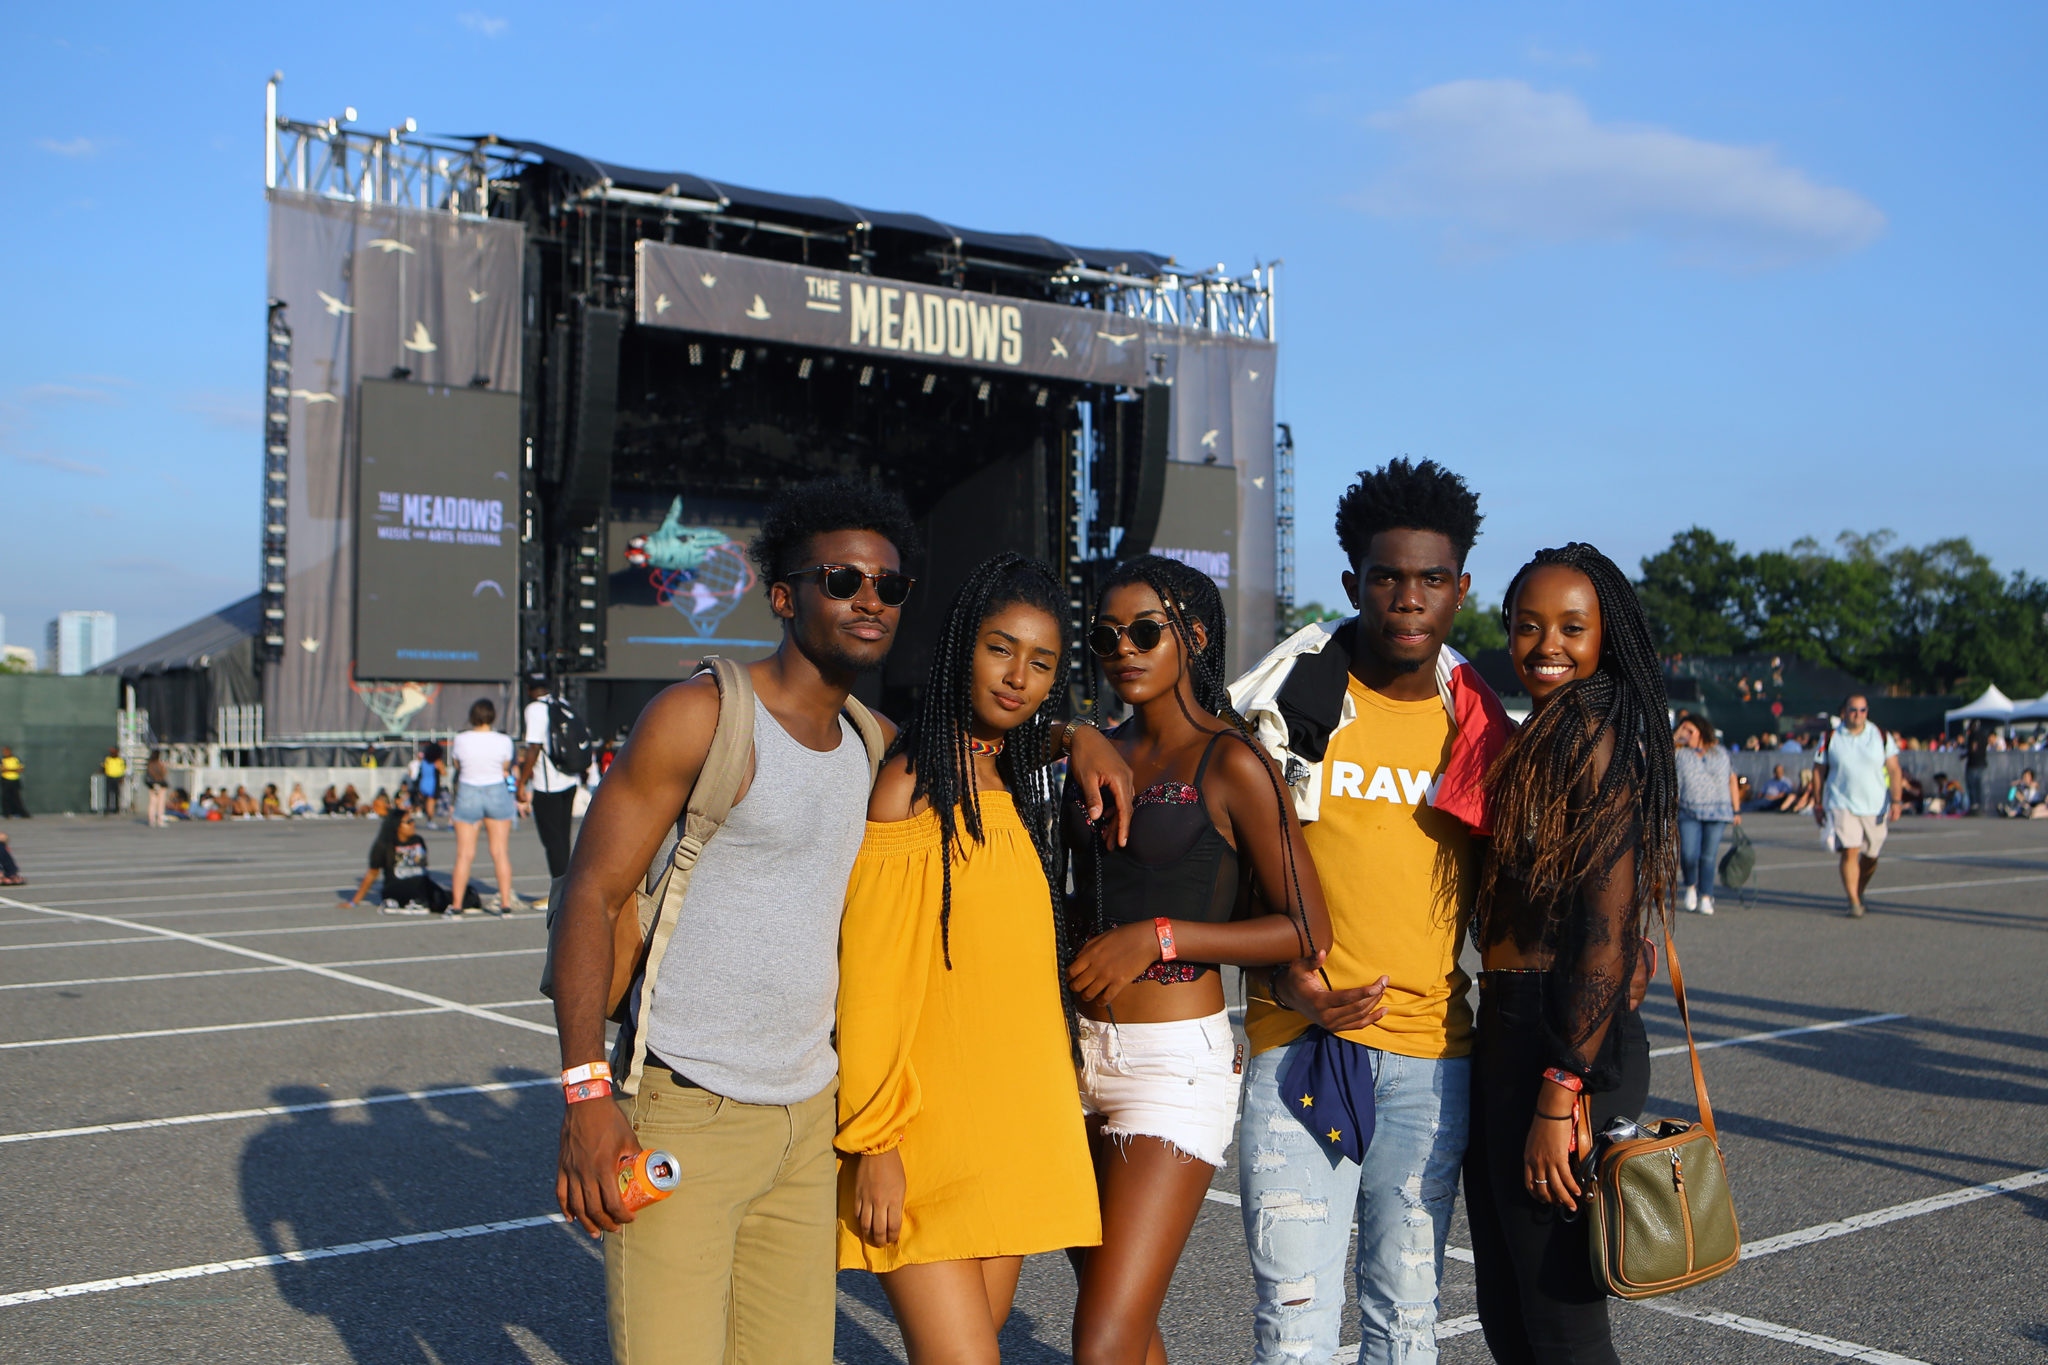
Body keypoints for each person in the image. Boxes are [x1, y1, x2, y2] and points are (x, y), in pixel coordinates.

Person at [548, 477, 1133, 1365]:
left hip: (807, 1121)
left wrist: (1071, 733)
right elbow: (588, 894)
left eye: (889, 587)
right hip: (686, 1104)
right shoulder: (700, 716)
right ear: (785, 596)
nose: (869, 600)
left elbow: (975, 728)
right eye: (842, 580)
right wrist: (588, 1095)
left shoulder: (873, 743)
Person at [1227, 458, 1513, 1364]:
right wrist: (1290, 983)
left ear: (1460, 589)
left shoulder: (1478, 724)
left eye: (1432, 580)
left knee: (1406, 1313)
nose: (1408, 598)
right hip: (1295, 1043)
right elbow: (1228, 875)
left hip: (1432, 1057)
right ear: (1353, 581)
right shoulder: (1283, 705)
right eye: (1387, 578)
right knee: (1296, 1318)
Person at [1064, 556, 1340, 1365]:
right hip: (1068, 1058)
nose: (1123, 649)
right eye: (1105, 635)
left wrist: (1160, 935)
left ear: (1194, 636)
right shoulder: (1095, 746)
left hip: (1171, 1071)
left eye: (1145, 631)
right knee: (1125, 1321)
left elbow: (1304, 926)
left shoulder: (1233, 761)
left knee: (1103, 1339)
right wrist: (1070, 730)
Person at [836, 555, 1101, 1362]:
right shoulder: (913, 784)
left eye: (1042, 661)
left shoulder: (1011, 777)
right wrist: (874, 1145)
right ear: (962, 647)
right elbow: (872, 981)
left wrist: (1078, 732)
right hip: (922, 1135)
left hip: (1016, 1123)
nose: (1019, 676)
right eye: (1001, 648)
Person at [1466, 544, 1672, 1365]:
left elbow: (1605, 931)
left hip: (1560, 1043)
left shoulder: (1593, 732)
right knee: (1512, 1309)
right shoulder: (1544, 735)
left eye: (1572, 626)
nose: (1546, 642)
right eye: (1527, 624)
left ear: (1606, 636)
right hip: (1516, 1030)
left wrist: (1559, 1091)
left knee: (1558, 1322)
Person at [1812, 694, 1903, 918]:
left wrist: (1897, 800)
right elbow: (1818, 770)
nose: (1858, 715)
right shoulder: (1831, 736)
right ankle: (1853, 900)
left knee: (1871, 855)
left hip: (1875, 804)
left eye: (1863, 710)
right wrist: (1817, 803)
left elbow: (1894, 769)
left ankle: (1859, 891)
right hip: (1842, 802)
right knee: (1850, 850)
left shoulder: (1880, 735)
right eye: (1854, 710)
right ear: (1844, 711)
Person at [449, 698, 521, 914]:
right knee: (500, 852)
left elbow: (457, 765)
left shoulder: (461, 739)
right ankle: (506, 902)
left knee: (464, 854)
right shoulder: (504, 740)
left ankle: (457, 904)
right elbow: (506, 765)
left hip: (469, 791)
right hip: (495, 791)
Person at [517, 676, 584, 886]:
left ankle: (560, 892)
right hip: (569, 779)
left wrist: (521, 782)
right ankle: (568, 887)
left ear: (529, 689)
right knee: (564, 839)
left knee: (552, 842)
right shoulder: (561, 703)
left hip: (548, 786)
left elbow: (534, 747)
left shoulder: (535, 709)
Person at [1673, 716, 1740, 916]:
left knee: (1708, 856)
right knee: (1688, 854)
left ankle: (1706, 895)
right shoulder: (1680, 753)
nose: (1687, 733)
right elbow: (1659, 754)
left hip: (1717, 811)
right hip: (1687, 809)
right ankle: (1691, 885)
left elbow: (1732, 779)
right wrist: (1676, 735)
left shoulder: (1720, 753)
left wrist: (1736, 810)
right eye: (1683, 729)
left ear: (1701, 731)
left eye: (1690, 730)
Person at [344, 807, 453, 915]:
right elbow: (372, 874)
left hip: (420, 883)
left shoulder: (418, 840)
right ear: (397, 825)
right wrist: (354, 902)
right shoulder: (384, 845)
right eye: (408, 822)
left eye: (413, 821)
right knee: (418, 896)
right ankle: (398, 902)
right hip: (397, 885)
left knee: (444, 899)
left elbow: (423, 867)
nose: (412, 824)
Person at [409, 740, 445, 827]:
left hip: (423, 783)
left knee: (424, 802)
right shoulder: (437, 761)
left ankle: (412, 817)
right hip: (432, 783)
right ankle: (430, 820)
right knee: (431, 803)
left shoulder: (424, 761)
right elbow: (443, 772)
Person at [1963, 722, 1991, 816]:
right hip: (1982, 763)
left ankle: (1974, 806)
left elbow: (1973, 747)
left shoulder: (1974, 735)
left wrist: (1965, 755)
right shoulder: (1984, 735)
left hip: (1973, 764)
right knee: (1979, 786)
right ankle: (1980, 806)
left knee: (1972, 786)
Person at [145, 750, 171, 827]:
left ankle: (151, 820)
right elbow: (164, 773)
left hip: (152, 785)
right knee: (161, 803)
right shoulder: (159, 764)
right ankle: (160, 819)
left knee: (152, 803)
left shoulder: (150, 764)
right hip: (161, 784)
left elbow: (149, 773)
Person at [1, 747, 28, 819]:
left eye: (7, 751)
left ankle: (21, 813)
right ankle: (7, 814)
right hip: (5, 780)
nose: (5, 753)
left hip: (15, 780)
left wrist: (10, 770)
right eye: (4, 751)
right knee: (5, 798)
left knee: (16, 798)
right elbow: (3, 769)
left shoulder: (16, 759)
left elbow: (21, 769)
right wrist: (14, 770)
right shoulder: (2, 760)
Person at [100, 747, 127, 816]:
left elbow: (123, 769)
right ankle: (108, 808)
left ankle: (116, 808)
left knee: (117, 794)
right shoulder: (108, 759)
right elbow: (103, 767)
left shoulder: (120, 760)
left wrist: (122, 777)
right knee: (108, 793)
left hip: (117, 778)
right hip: (110, 777)